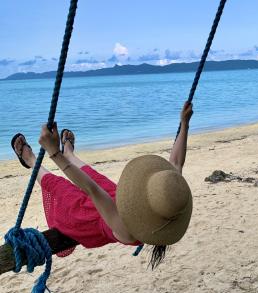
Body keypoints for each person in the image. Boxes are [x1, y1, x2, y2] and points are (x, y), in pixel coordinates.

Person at [11, 101, 194, 269]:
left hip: (92, 218)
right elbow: (176, 163)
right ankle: (69, 154)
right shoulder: (170, 196)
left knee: (60, 187)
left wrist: (52, 152)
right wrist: (184, 124)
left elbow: (91, 189)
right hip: (117, 200)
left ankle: (31, 160)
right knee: (93, 174)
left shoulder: (127, 230)